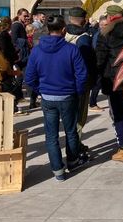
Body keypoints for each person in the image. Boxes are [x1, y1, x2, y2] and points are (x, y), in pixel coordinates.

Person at [24, 15, 88, 181]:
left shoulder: (37, 50)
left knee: (51, 135)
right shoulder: (71, 49)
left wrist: (41, 91)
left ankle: (57, 170)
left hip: (48, 97)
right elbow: (82, 74)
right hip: (67, 95)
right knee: (71, 131)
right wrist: (78, 91)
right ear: (64, 30)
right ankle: (72, 161)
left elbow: (29, 77)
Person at [96, 5, 123, 162]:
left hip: (114, 80)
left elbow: (100, 60)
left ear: (109, 17)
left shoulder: (105, 34)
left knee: (117, 115)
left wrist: (98, 77)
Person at [64, 7, 97, 152]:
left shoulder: (62, 34)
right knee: (79, 118)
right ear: (83, 20)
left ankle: (73, 144)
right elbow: (88, 63)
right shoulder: (83, 38)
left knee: (69, 117)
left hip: (64, 81)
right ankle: (74, 147)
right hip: (80, 83)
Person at [11, 8, 34, 114]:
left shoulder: (20, 25)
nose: (26, 18)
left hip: (23, 56)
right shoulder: (17, 25)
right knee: (21, 79)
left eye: (27, 16)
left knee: (24, 78)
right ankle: (15, 103)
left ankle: (28, 101)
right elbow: (14, 40)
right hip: (21, 57)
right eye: (24, 16)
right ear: (19, 15)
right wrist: (26, 41)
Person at [89, 15, 107, 112]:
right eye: (103, 25)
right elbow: (96, 49)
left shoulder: (101, 34)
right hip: (98, 63)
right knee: (97, 84)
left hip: (100, 63)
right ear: (100, 25)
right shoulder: (99, 35)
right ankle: (92, 103)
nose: (105, 26)